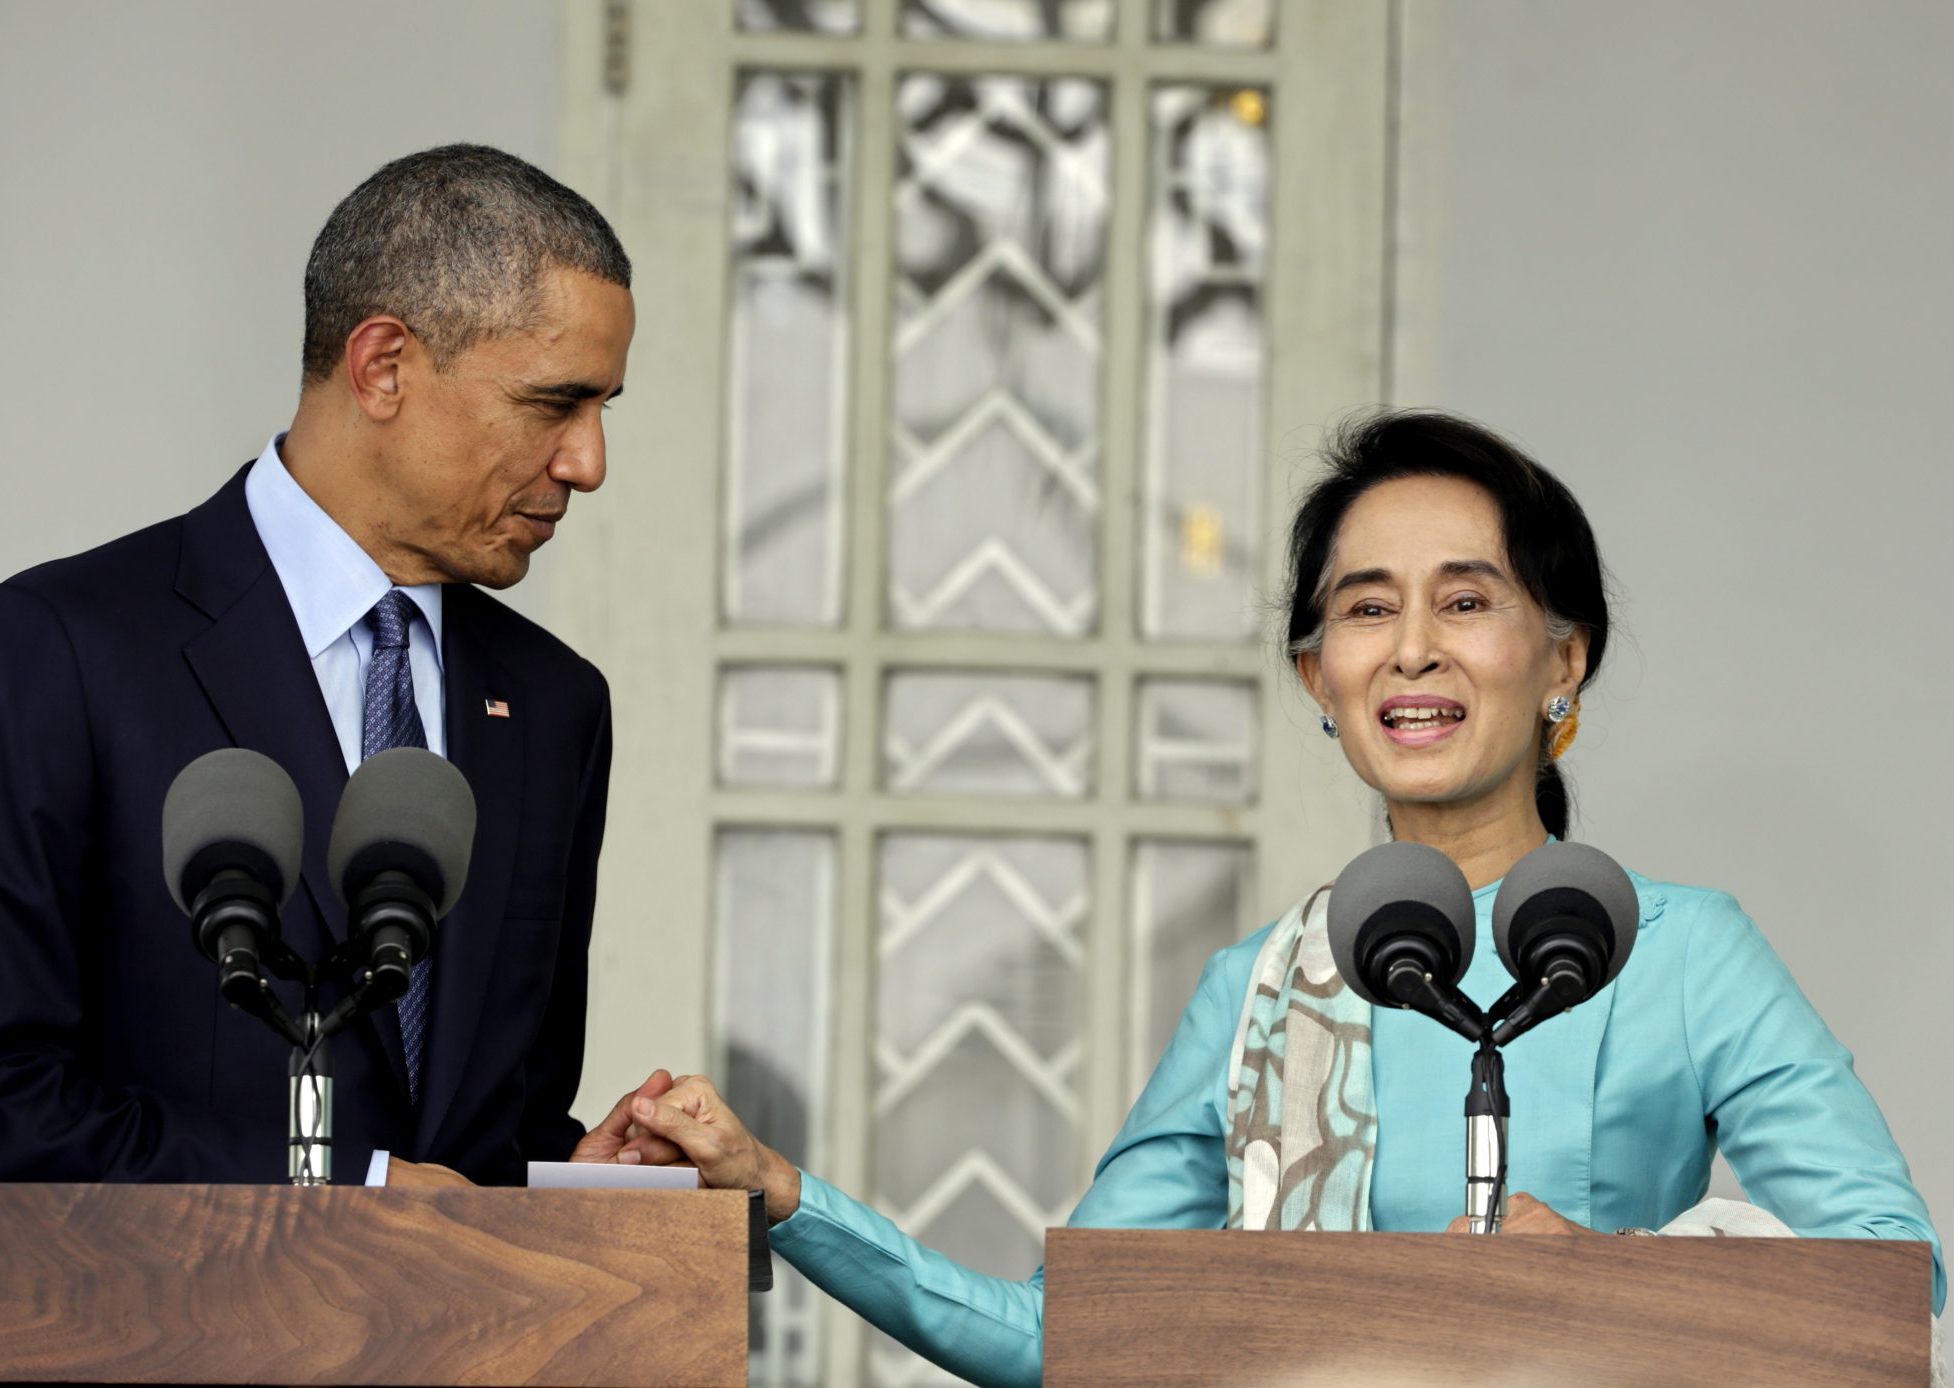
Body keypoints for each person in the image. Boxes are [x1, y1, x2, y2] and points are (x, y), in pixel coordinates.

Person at [576, 411, 1943, 1387]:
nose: (1412, 646)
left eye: (1467, 602)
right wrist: (779, 1195)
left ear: (1562, 657)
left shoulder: (1685, 953)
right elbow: (1068, 1336)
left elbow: (1899, 1276)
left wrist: (1609, 1282)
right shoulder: (1262, 989)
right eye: (1363, 609)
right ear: (1316, 679)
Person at [0, 144, 631, 1187]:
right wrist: (345, 1194)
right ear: (382, 366)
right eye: (553, 404)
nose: (587, 462)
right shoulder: (58, 648)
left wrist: (584, 1175)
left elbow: (482, 1139)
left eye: (604, 408)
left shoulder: (560, 703)